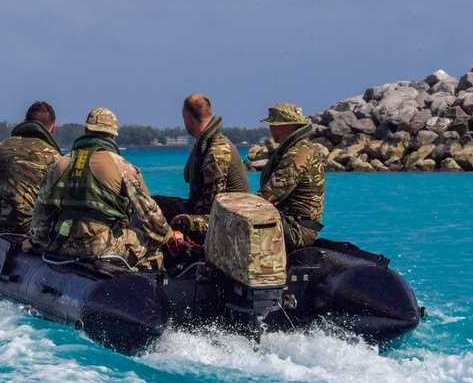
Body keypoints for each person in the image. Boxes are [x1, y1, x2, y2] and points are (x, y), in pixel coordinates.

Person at [24, 107, 173, 270]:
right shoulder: (123, 167)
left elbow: (41, 211)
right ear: (113, 136)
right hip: (103, 247)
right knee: (153, 245)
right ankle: (146, 283)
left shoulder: (58, 165)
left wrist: (35, 241)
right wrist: (168, 236)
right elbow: (149, 214)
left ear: (86, 130)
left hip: (64, 245)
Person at [155, 94, 249, 245]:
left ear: (188, 120)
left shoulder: (217, 150)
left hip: (230, 218)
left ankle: (179, 258)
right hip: (213, 210)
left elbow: (212, 201)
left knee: (181, 222)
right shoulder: (206, 144)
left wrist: (185, 219)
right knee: (155, 204)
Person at [0, 101, 62, 234]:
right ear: (53, 128)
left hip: (6, 226)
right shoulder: (57, 157)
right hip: (38, 232)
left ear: (24, 121)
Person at [256, 103, 326, 254]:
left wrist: (240, 207)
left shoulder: (297, 154)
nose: (271, 129)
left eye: (272, 125)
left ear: (279, 127)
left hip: (297, 229)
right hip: (289, 220)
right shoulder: (297, 148)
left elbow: (271, 194)